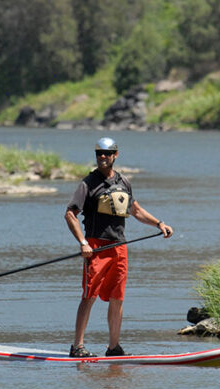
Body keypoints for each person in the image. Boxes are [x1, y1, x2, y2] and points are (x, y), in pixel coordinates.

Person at [64, 136, 173, 357]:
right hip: (95, 247)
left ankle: (114, 348)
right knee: (89, 295)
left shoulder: (124, 182)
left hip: (119, 247)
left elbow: (136, 210)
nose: (102, 157)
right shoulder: (88, 184)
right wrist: (83, 243)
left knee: (117, 297)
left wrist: (159, 224)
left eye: (106, 153)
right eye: (98, 154)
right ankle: (77, 347)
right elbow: (70, 214)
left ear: (115, 155)